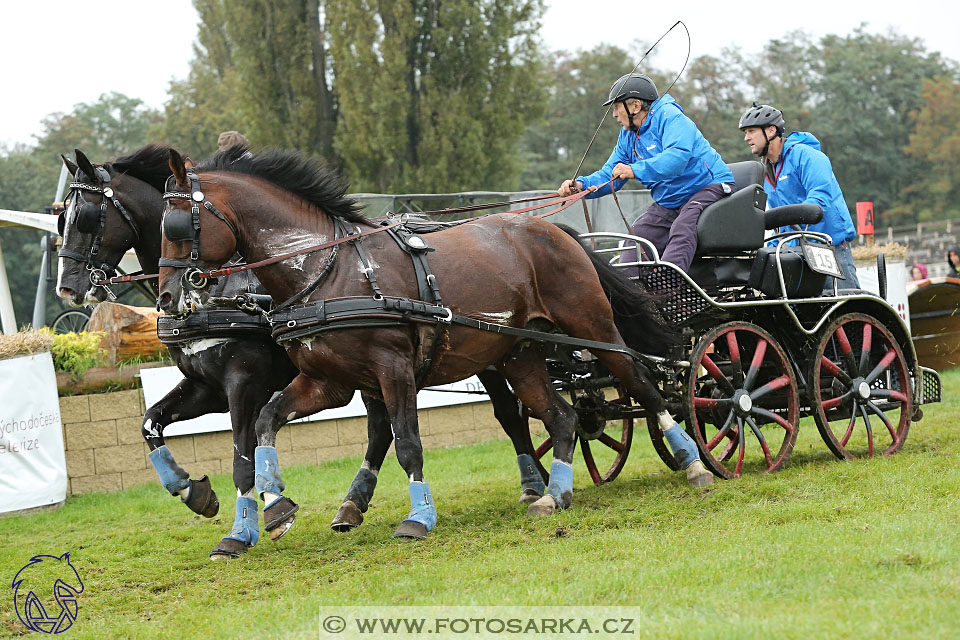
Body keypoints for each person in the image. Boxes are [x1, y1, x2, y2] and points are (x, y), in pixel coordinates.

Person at [558, 73, 734, 272]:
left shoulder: (670, 117)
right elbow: (611, 173)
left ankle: (666, 286)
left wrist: (634, 169)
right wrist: (580, 185)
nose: (614, 115)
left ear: (635, 106)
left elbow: (676, 158)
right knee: (639, 234)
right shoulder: (627, 135)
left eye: (617, 107)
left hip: (708, 187)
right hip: (671, 200)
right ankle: (628, 291)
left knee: (683, 226)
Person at [739, 102, 860, 291]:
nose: (746, 138)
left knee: (845, 305)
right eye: (745, 132)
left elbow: (819, 197)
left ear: (771, 131)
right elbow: (778, 219)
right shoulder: (764, 170)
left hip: (828, 246)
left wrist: (795, 220)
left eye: (751, 131)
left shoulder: (808, 156)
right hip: (797, 251)